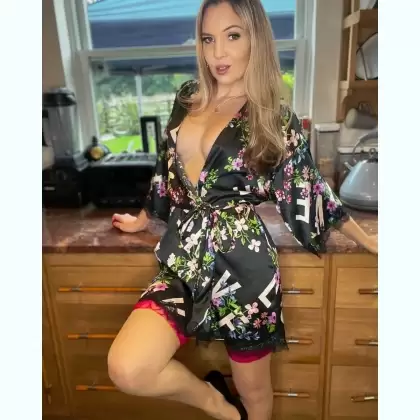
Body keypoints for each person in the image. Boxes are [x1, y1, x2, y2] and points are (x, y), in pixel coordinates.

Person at [107, 1, 378, 419]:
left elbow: (308, 186)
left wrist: (366, 238)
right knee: (128, 368)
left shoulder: (272, 117)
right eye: (208, 39)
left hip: (244, 266)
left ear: (256, 39)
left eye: (233, 36)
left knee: (254, 390)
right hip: (186, 259)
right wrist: (143, 218)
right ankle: (219, 405)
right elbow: (166, 168)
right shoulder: (188, 98)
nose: (218, 53)